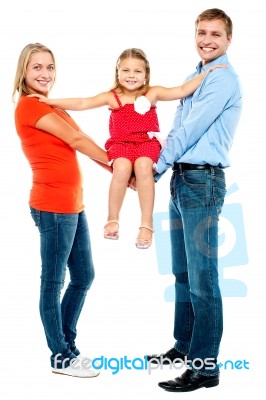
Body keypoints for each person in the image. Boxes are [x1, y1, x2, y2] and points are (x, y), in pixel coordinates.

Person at [31, 48, 225, 249]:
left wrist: (206, 74)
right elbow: (83, 102)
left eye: (137, 71)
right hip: (121, 145)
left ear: (145, 74)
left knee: (143, 166)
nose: (131, 75)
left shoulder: (152, 93)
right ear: (118, 72)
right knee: (122, 167)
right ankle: (112, 219)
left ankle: (146, 224)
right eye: (126, 70)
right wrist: (51, 101)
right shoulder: (112, 97)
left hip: (146, 144)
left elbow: (182, 90)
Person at [146, 8, 242, 392]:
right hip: (182, 179)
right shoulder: (194, 76)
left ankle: (205, 368)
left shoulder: (222, 79)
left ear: (228, 39)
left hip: (203, 182)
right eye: (202, 32)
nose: (207, 39)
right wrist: (159, 166)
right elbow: (176, 128)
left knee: (204, 279)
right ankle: (184, 347)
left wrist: (153, 168)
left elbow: (190, 128)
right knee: (183, 274)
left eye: (215, 34)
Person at [12, 43, 111, 378]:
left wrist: (117, 173)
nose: (44, 74)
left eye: (50, 67)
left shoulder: (52, 107)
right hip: (53, 207)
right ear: (23, 72)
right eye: (37, 67)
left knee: (84, 276)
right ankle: (62, 357)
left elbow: (81, 139)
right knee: (53, 283)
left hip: (73, 205)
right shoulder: (28, 107)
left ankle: (66, 346)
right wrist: (117, 164)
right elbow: (78, 142)